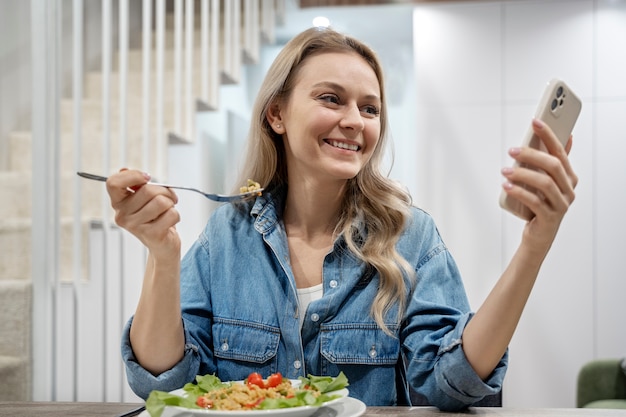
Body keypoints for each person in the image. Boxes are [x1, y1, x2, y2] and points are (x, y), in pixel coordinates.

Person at [106, 27, 578, 410]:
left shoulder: (411, 236)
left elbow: (450, 383)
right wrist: (162, 255)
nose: (355, 120)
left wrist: (533, 248)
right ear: (277, 114)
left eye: (369, 108)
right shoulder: (226, 236)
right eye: (331, 99)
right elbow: (162, 382)